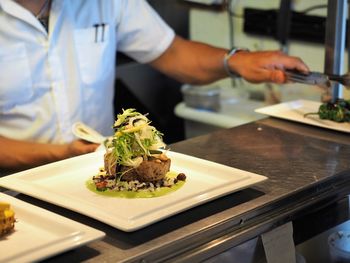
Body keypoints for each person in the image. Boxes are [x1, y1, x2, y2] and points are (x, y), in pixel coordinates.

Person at [0, 0, 309, 172]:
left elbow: (173, 53)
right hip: (12, 193)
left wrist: (236, 61)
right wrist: (58, 154)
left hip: (96, 177)